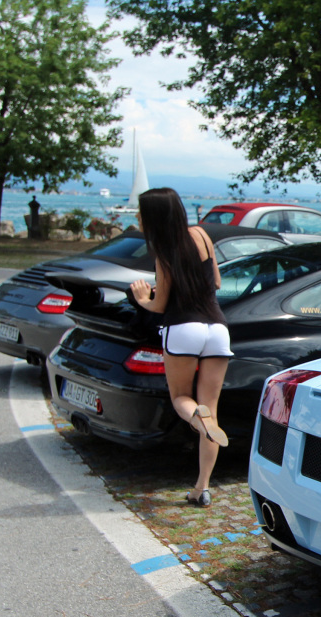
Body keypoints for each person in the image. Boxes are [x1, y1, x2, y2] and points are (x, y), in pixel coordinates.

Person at [129, 187, 231, 507]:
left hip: (183, 328)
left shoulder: (164, 251)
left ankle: (197, 419)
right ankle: (201, 489)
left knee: (180, 398)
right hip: (217, 328)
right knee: (210, 412)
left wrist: (143, 297)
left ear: (153, 217)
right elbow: (215, 282)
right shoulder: (201, 234)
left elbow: (159, 306)